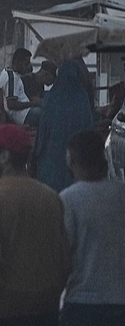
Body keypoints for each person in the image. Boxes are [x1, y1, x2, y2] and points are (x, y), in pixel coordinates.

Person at [0, 125, 70, 326]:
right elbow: (65, 260)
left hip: (7, 309)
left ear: (4, 156)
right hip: (47, 308)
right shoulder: (50, 197)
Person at [60, 130, 125, 325]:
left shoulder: (68, 199)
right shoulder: (121, 194)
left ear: (71, 159)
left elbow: (64, 256)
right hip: (119, 301)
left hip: (83, 302)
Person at [33, 60, 95, 193]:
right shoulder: (82, 97)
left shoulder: (52, 97)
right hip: (77, 162)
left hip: (51, 162)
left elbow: (43, 132)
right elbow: (90, 129)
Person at [0, 48, 38, 126]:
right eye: (26, 64)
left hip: (24, 113)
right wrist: (32, 104)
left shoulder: (7, 71)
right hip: (22, 116)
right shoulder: (12, 78)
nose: (28, 67)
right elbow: (11, 104)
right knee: (47, 114)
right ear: (18, 62)